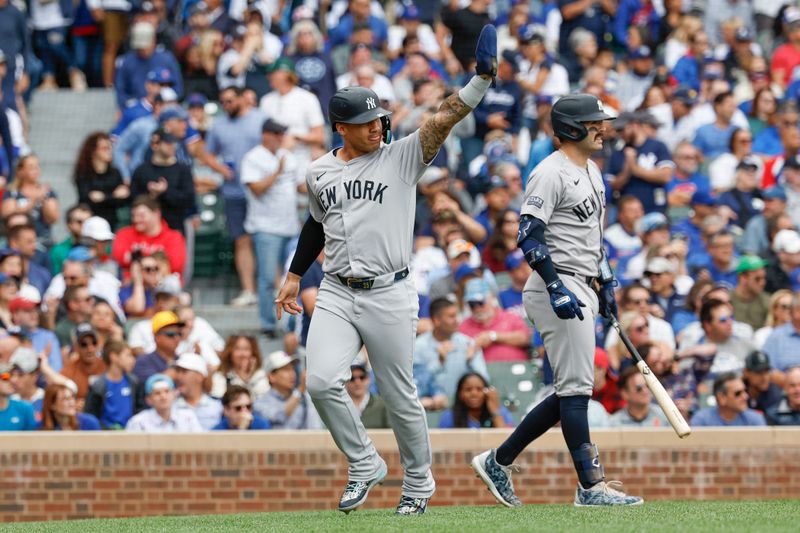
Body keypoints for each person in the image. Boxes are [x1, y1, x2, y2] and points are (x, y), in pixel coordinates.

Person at [274, 26, 500, 516]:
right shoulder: (318, 172)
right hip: (335, 289)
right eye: (365, 121)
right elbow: (317, 225)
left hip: (390, 292)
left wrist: (480, 80)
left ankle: (418, 482)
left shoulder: (401, 156)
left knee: (400, 396)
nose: (377, 126)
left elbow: (443, 116)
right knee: (319, 381)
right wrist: (294, 275)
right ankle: (364, 463)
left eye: (379, 117)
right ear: (341, 127)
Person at [471, 93, 643, 508]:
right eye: (594, 122)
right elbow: (528, 233)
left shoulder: (594, 172)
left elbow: (592, 239)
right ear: (572, 128)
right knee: (577, 391)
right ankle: (590, 486)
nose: (603, 129)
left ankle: (499, 460)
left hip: (581, 282)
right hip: (557, 284)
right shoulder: (549, 172)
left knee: (571, 391)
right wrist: (554, 286)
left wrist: (605, 284)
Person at [240, 118, 303, 337]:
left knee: (295, 277)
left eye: (281, 134)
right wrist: (277, 172)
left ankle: (293, 324)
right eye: (276, 133)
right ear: (265, 134)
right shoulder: (253, 158)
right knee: (267, 278)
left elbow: (300, 186)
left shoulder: (288, 156)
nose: (279, 138)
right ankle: (268, 324)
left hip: (291, 226)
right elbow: (256, 189)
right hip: (265, 227)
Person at [414, 297, 489, 408]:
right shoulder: (418, 346)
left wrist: (470, 361)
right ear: (436, 320)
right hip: (428, 408)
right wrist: (438, 362)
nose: (457, 320)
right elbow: (415, 388)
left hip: (462, 409)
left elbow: (484, 382)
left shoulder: (468, 344)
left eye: (456, 315)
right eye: (451, 316)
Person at [129, 128, 195, 232]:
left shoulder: (183, 170)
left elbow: (189, 200)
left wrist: (165, 191)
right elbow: (133, 199)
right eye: (167, 143)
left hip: (174, 227)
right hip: (146, 231)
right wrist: (151, 195)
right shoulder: (142, 171)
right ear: (155, 145)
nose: (172, 146)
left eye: (173, 143)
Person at [111, 195, 187, 280]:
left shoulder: (174, 237)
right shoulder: (124, 234)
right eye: (134, 216)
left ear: (157, 213)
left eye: (141, 216)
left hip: (162, 287)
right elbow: (119, 258)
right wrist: (156, 262)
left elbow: (175, 265)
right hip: (130, 286)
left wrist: (137, 260)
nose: (136, 220)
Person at [458, 278, 531, 362]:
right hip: (482, 373)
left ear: (491, 298)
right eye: (472, 304)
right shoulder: (463, 326)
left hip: (516, 370)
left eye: (480, 303)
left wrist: (493, 336)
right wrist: (473, 346)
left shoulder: (510, 317)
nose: (477, 308)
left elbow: (525, 338)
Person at [73, 132, 129, 229]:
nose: (109, 151)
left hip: (113, 222)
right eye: (105, 148)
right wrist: (114, 196)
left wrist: (103, 197)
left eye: (110, 147)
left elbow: (123, 199)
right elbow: (88, 200)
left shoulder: (115, 173)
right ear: (93, 151)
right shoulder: (84, 174)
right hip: (91, 223)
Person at [253, 350, 320, 430]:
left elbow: (314, 427)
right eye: (286, 370)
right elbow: (280, 415)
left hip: (303, 442)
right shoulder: (260, 402)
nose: (292, 374)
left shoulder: (305, 397)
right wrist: (300, 390)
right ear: (271, 377)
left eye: (292, 369)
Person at [84, 340, 144, 429]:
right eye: (128, 355)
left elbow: (139, 410)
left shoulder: (133, 382)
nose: (132, 360)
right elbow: (92, 416)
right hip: (105, 437)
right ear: (114, 357)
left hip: (131, 434)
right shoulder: (98, 386)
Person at [125, 373, 203, 432]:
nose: (163, 397)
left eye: (167, 391)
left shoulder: (188, 418)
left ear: (174, 395)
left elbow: (200, 445)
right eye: (157, 393)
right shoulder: (138, 422)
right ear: (148, 399)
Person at [438, 372, 512, 429]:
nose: (474, 393)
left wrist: (494, 411)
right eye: (468, 389)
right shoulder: (449, 416)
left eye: (479, 389)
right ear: (460, 394)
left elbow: (507, 441)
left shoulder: (501, 412)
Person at [690, 373, 767, 427]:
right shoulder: (702, 420)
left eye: (745, 391)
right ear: (721, 398)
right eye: (738, 393)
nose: (745, 396)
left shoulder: (755, 419)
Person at [210, 335, 269, 400]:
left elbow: (264, 397)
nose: (242, 354)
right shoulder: (221, 376)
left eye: (246, 349)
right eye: (237, 349)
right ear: (230, 352)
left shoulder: (260, 375)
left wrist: (248, 377)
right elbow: (218, 398)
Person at [60, 323, 106, 404]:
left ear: (98, 345)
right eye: (84, 344)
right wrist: (73, 404)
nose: (90, 349)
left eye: (94, 343)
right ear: (76, 347)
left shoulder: (107, 367)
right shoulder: (67, 372)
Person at [173, 352, 222, 430]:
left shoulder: (218, 406)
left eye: (184, 371)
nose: (179, 377)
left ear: (200, 376)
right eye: (178, 371)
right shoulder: (170, 406)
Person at [132, 310, 183, 382]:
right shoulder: (144, 361)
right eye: (171, 334)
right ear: (157, 337)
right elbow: (155, 386)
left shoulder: (183, 359)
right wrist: (176, 370)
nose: (177, 338)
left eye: (179, 334)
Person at [762, 292, 800, 381]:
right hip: (785, 390)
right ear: (794, 311)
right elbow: (767, 369)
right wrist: (789, 382)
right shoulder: (776, 336)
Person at [731, 256, 770, 330]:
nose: (763, 283)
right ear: (743, 278)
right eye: (757, 279)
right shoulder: (727, 300)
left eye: (764, 278)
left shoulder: (767, 301)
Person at [346, 363, 390, 429]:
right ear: (345, 381)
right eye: (352, 378)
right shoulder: (337, 406)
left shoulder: (383, 405)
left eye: (362, 377)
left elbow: (391, 433)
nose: (357, 382)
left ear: (369, 379)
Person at [742, 350, 784, 415]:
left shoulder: (774, 394)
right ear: (746, 372)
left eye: (767, 371)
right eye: (759, 372)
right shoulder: (738, 391)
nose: (765, 377)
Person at [0, 360, 37, 430]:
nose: (12, 380)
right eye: (5, 377)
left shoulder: (25, 408)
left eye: (12, 376)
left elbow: (31, 439)